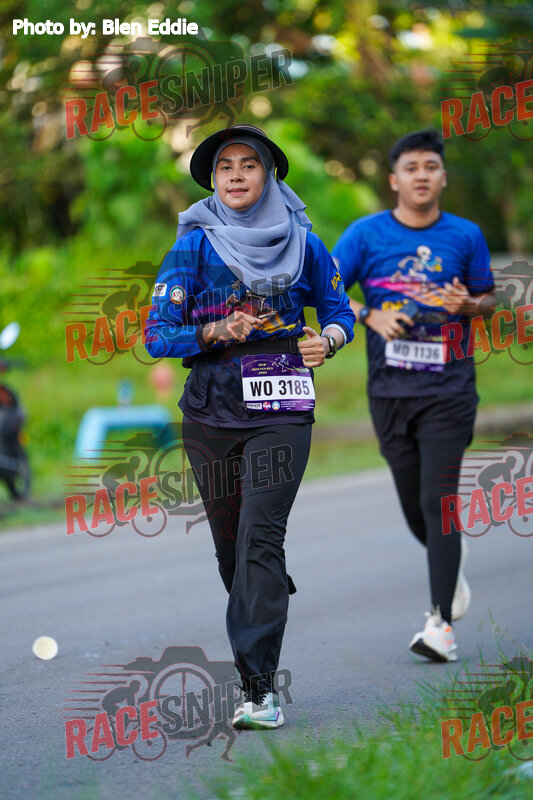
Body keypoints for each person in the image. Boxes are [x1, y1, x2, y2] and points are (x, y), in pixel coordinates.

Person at [145, 124, 355, 727]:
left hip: (282, 407)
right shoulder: (193, 246)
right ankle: (264, 586)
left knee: (261, 538)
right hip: (209, 411)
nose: (236, 175)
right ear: (213, 180)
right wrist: (215, 330)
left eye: (249, 164)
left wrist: (327, 340)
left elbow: (339, 311)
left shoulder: (306, 243)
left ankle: (259, 691)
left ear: (269, 175)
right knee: (231, 549)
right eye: (225, 167)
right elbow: (158, 335)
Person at [332, 129, 496, 663]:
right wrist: (369, 315)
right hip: (389, 392)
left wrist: (468, 306)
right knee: (414, 508)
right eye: (412, 167)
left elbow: (487, 298)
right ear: (394, 179)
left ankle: (440, 625)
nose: (422, 175)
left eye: (431, 166)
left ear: (443, 177)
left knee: (437, 500)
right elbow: (325, 291)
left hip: (449, 390)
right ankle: (450, 562)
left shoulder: (466, 235)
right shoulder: (364, 235)